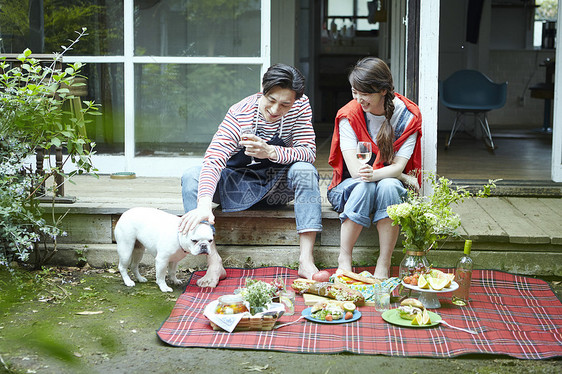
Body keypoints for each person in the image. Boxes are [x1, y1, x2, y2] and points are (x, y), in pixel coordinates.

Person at [179, 63, 323, 288]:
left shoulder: (301, 106)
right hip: (237, 185)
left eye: (285, 104)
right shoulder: (240, 113)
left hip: (277, 185)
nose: (276, 110)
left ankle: (306, 260)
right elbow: (214, 157)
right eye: (271, 100)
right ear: (262, 91)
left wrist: (272, 152)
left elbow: (308, 151)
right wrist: (205, 204)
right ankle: (213, 261)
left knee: (305, 170)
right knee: (191, 177)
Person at [327, 57, 422, 280]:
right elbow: (356, 170)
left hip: (387, 185)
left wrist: (391, 174)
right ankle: (344, 258)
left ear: (384, 90)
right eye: (354, 92)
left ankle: (384, 261)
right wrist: (402, 176)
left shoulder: (408, 116)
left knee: (389, 186)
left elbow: (398, 166)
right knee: (366, 187)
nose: (358, 99)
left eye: (365, 93)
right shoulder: (349, 115)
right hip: (350, 187)